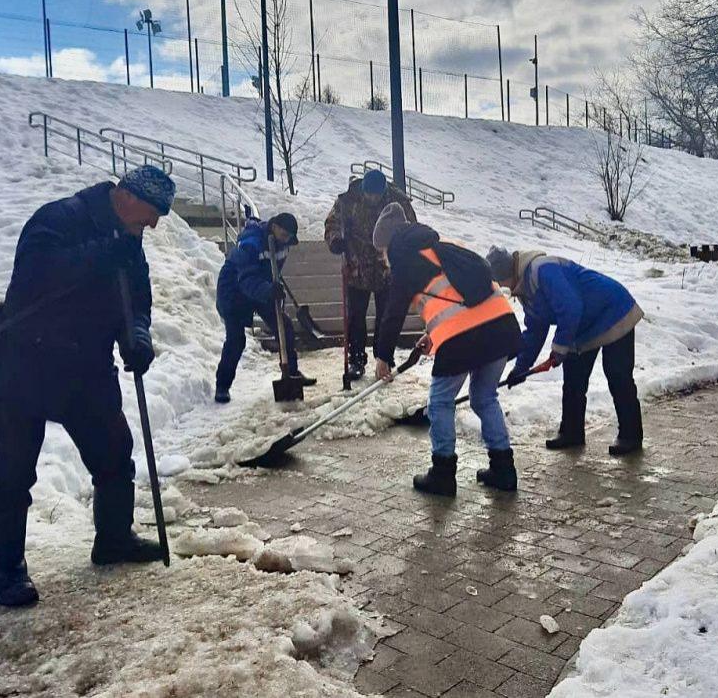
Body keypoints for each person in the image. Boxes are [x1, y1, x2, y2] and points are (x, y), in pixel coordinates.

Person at [0, 165, 176, 607]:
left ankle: (113, 539)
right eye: (152, 212)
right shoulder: (59, 218)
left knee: (113, 454)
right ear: (126, 195)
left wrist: (138, 337)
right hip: (26, 363)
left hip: (87, 369)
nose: (154, 223)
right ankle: (6, 570)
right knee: (12, 474)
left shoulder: (129, 239)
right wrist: (102, 254)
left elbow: (138, 299)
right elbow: (34, 279)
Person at [372, 204, 522, 497]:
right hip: (502, 326)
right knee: (484, 397)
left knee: (440, 403)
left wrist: (382, 355)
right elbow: (457, 295)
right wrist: (433, 333)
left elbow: (393, 312)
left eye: (381, 251)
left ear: (389, 243)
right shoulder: (443, 246)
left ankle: (442, 474)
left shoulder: (404, 257)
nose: (383, 258)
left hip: (466, 337)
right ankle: (504, 469)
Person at [486, 247, 644, 456]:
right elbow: (535, 329)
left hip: (614, 310)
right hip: (583, 326)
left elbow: (571, 307)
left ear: (508, 273)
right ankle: (572, 433)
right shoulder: (525, 288)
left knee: (617, 375)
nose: (503, 288)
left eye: (501, 282)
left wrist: (559, 348)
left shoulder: (543, 270)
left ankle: (630, 436)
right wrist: (520, 368)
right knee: (573, 379)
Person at [324, 169, 416, 380]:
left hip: (387, 266)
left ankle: (384, 357)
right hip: (357, 265)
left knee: (387, 315)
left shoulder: (397, 200)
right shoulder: (348, 200)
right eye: (369, 194)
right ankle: (356, 359)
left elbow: (411, 225)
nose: (373, 199)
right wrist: (336, 240)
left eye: (377, 195)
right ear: (363, 190)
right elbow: (332, 223)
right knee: (356, 315)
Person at [215, 212, 316, 403]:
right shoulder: (250, 243)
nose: (286, 240)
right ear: (274, 227)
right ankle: (222, 386)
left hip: (262, 288)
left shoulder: (284, 243)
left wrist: (273, 287)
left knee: (284, 327)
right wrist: (269, 290)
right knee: (236, 340)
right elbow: (246, 278)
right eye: (284, 235)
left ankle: (291, 374)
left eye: (289, 237)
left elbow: (272, 268)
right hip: (234, 290)